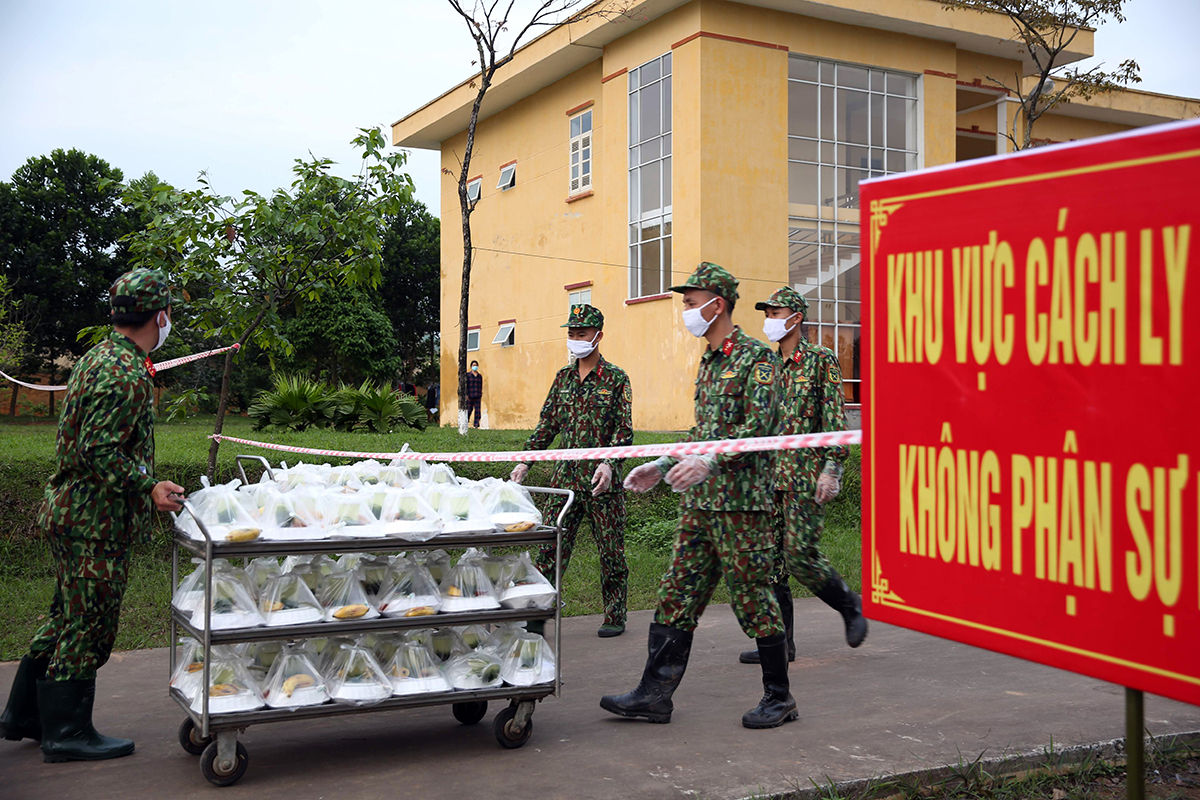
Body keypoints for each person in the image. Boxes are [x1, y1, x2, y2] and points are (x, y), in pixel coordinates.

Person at [601, 262, 797, 729]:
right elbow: (703, 432)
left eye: (690, 302)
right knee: (675, 593)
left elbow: (763, 425)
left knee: (752, 598)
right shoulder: (709, 362)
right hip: (700, 507)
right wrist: (663, 465)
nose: (685, 310)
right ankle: (654, 694)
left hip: (740, 505)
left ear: (717, 303)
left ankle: (780, 697)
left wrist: (711, 461)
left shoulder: (756, 358)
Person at [0, 268, 185, 763]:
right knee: (90, 627)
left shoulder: (100, 356)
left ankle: (25, 715)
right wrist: (150, 486)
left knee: (66, 617)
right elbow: (99, 450)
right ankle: (67, 732)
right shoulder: (123, 373)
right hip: (93, 523)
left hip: (73, 513)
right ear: (160, 315)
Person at [737, 287, 866, 667]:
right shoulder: (765, 365)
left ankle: (849, 605)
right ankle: (780, 644)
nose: (769, 320)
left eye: (775, 313)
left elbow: (833, 420)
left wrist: (833, 468)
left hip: (804, 478)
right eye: (767, 313)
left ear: (795, 318)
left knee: (798, 556)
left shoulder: (820, 360)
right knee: (770, 564)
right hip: (768, 480)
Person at [511, 304, 632, 637]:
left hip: (601, 484)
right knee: (550, 547)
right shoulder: (562, 379)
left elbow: (624, 431)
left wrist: (610, 464)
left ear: (598, 336)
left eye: (582, 334)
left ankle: (615, 614)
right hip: (565, 482)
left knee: (611, 551)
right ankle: (538, 614)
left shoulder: (616, 379)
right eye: (571, 334)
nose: (575, 339)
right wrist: (525, 460)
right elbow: (547, 425)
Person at [464, 360, 483, 428]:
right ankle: (465, 423)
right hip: (470, 395)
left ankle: (476, 424)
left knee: (477, 411)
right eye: (473, 365)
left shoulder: (480, 376)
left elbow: (481, 385)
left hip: (477, 395)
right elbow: (466, 385)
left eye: (476, 365)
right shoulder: (468, 375)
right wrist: (466, 395)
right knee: (469, 410)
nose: (475, 366)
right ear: (471, 366)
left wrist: (480, 393)